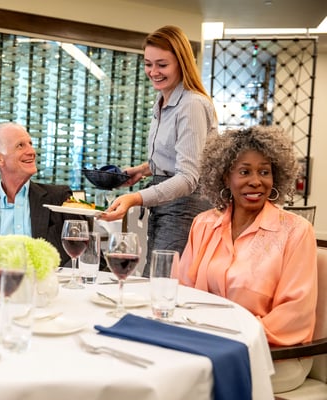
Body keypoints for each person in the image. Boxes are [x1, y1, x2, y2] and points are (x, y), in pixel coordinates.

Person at [172, 125, 317, 393]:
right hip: (205, 345)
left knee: (184, 383)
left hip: (271, 355)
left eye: (264, 172)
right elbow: (181, 290)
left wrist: (234, 339)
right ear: (225, 177)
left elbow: (295, 314)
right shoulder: (204, 224)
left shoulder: (296, 231)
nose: (256, 181)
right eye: (244, 172)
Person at [99, 25, 217, 277]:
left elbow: (188, 177)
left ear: (181, 64)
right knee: (154, 279)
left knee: (161, 282)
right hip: (166, 204)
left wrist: (135, 198)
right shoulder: (163, 100)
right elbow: (175, 157)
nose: (153, 72)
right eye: (148, 64)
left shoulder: (191, 105)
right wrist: (143, 170)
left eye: (162, 65)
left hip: (184, 207)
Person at [0, 122, 79, 268]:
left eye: (30, 144)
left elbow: (86, 255)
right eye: (20, 145)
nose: (32, 151)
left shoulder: (59, 198)